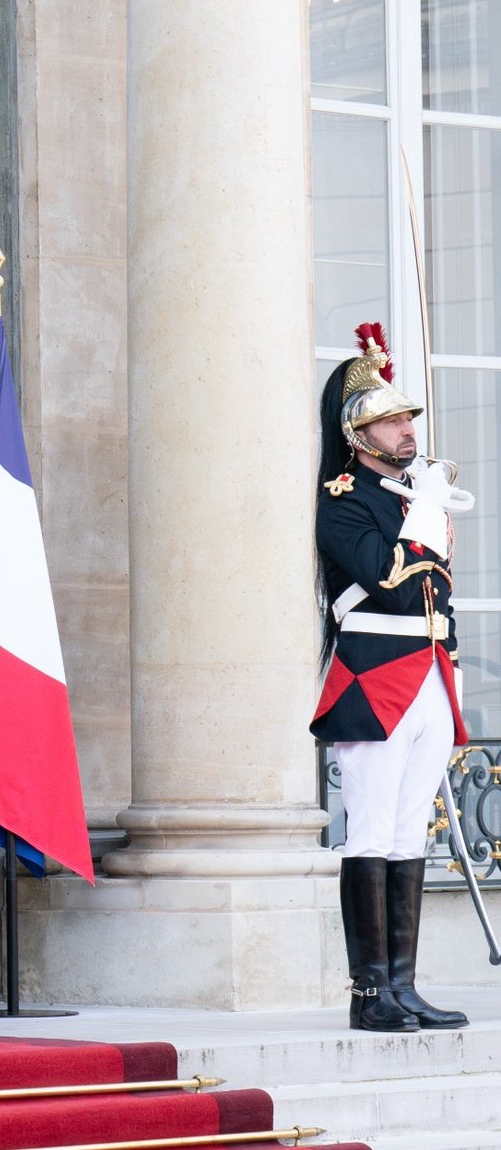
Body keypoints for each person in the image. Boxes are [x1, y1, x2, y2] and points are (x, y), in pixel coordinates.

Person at [313, 323, 471, 1033]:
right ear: (360, 435)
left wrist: (425, 502)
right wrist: (428, 508)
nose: (407, 430)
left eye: (407, 419)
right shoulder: (346, 497)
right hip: (374, 676)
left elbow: (436, 595)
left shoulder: (413, 495)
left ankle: (403, 988)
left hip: (430, 671)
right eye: (391, 421)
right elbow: (384, 579)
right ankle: (367, 992)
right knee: (372, 829)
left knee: (411, 831)